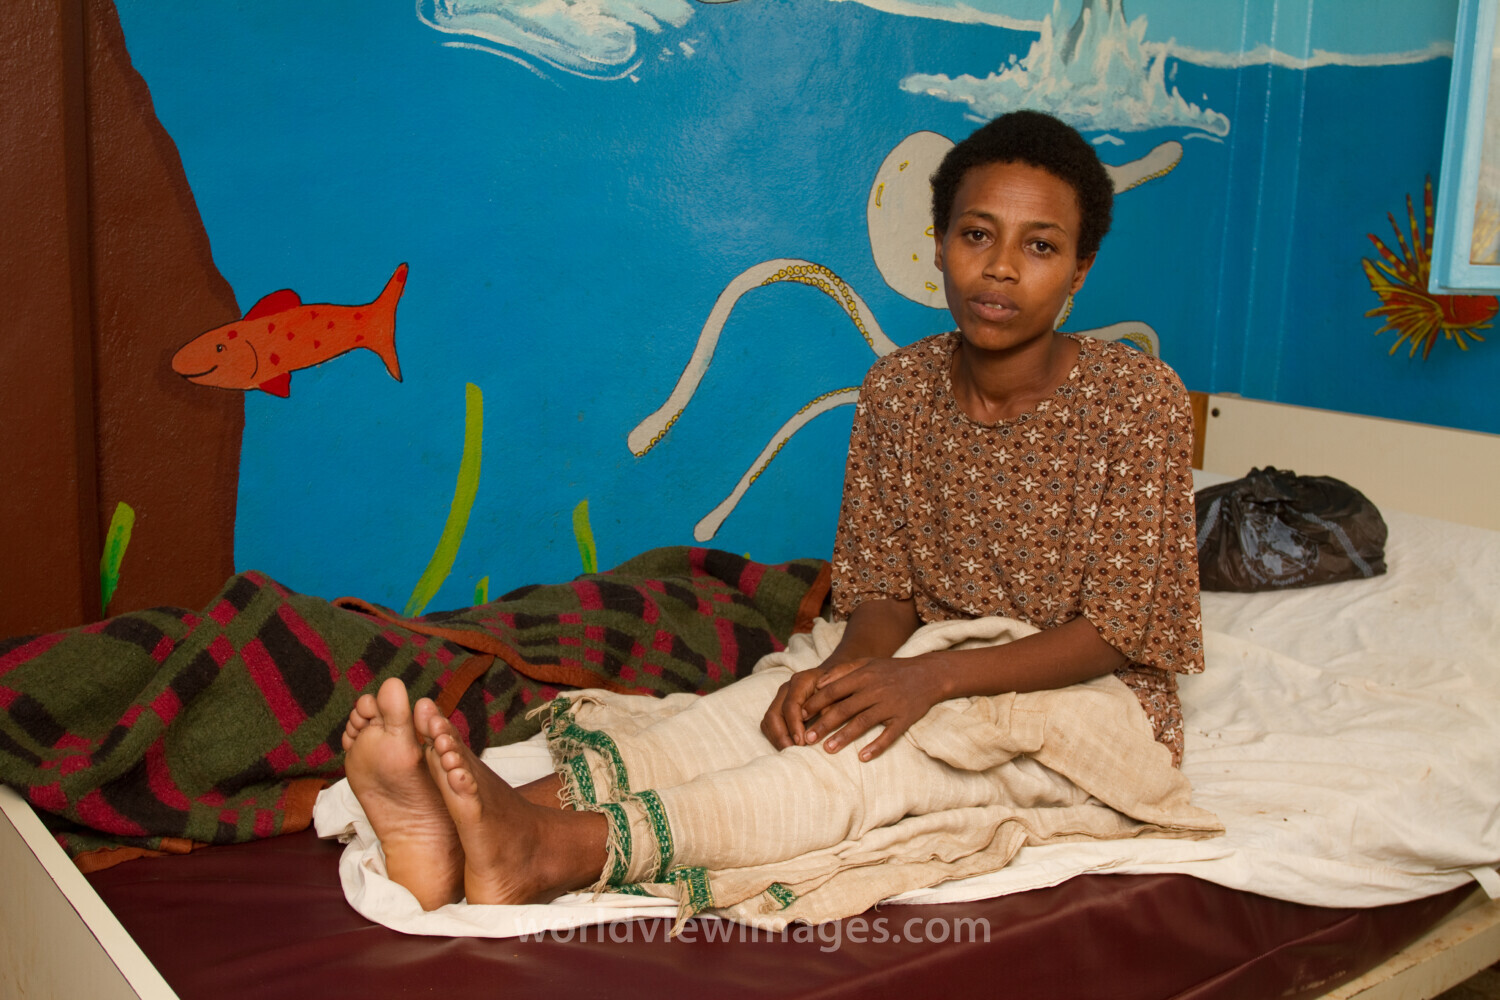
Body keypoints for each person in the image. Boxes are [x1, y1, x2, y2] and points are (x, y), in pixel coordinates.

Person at [340, 109, 1204, 913]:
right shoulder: (897, 391)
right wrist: (846, 674)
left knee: (857, 766)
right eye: (977, 234)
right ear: (938, 244)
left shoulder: (1139, 402)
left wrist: (925, 680)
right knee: (753, 715)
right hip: (920, 652)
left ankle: (555, 853)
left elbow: (1121, 631)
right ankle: (464, 828)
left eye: (1041, 246)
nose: (1002, 267)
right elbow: (886, 594)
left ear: (1081, 268)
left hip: (1078, 693)